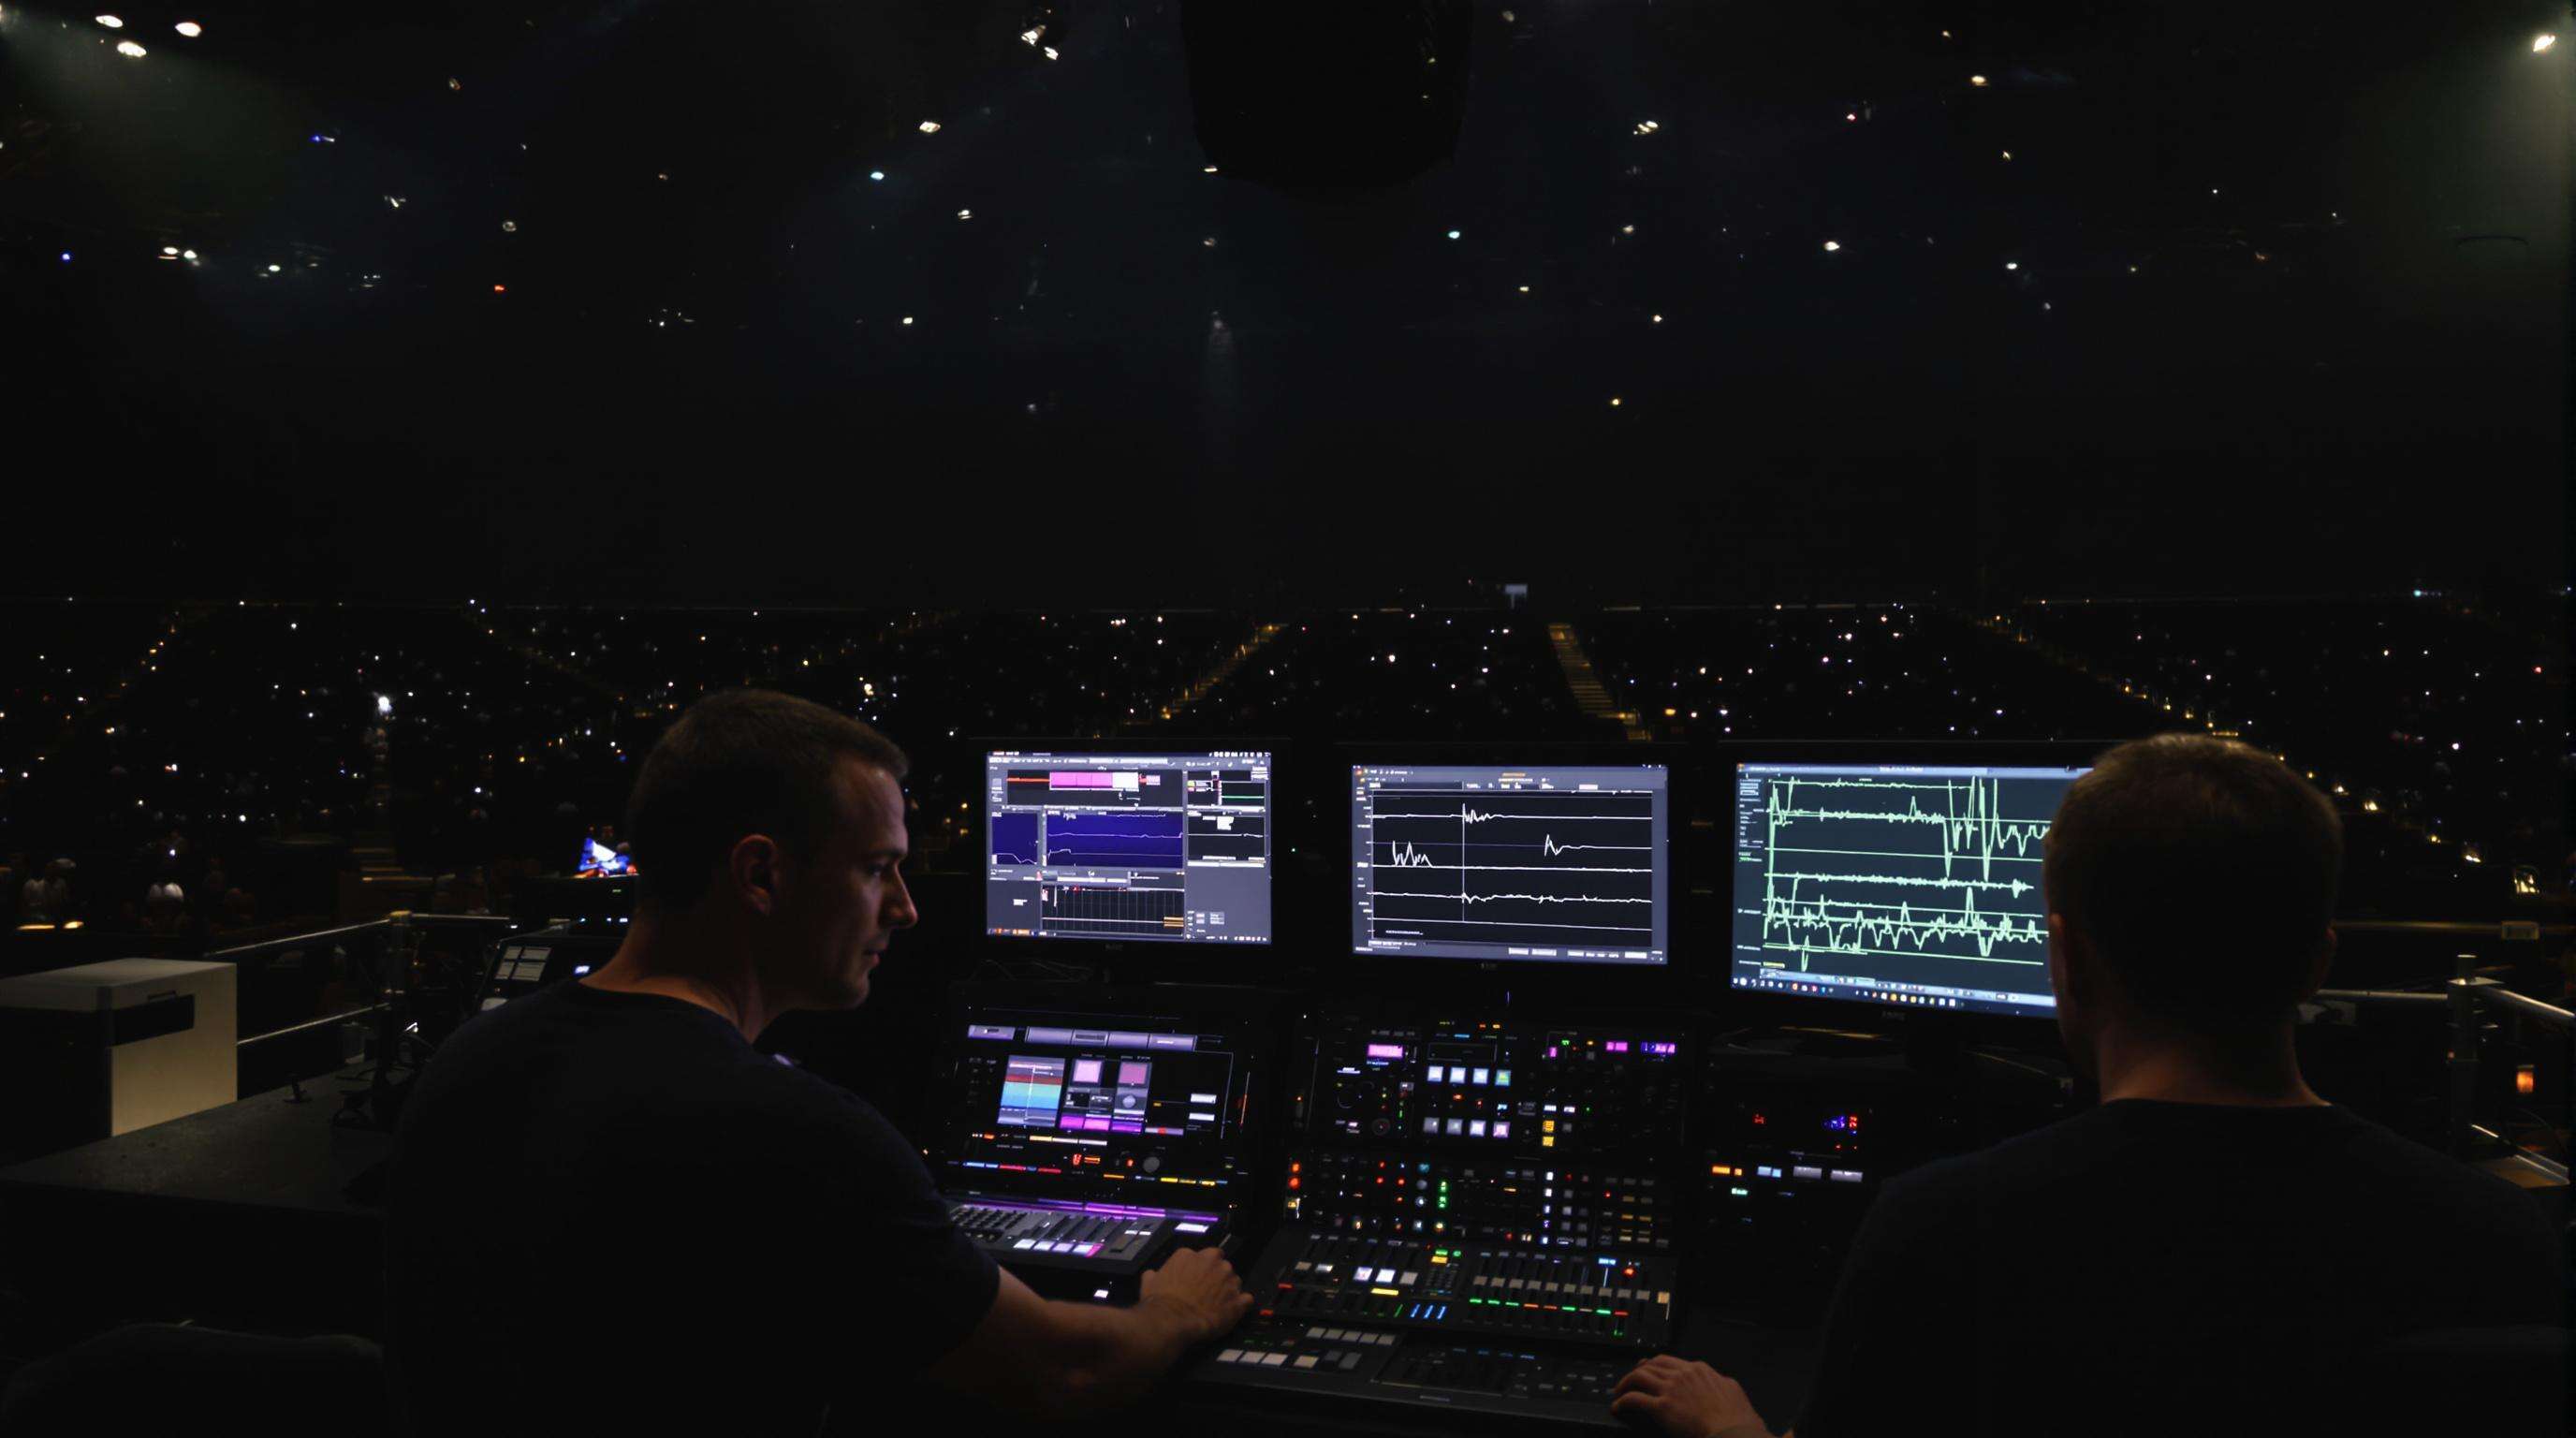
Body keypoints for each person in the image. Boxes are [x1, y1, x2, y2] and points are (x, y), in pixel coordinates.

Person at [1614, 735, 2566, 1438]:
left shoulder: (1947, 1229)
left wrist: (1725, 1426)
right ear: (2318, 962)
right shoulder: (2500, 1238)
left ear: (2064, 960)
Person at [383, 690, 1250, 1437]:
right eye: (878, 870)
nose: (905, 910)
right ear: (760, 874)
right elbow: (1069, 1373)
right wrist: (1176, 1309)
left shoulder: (470, 1060)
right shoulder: (798, 1135)